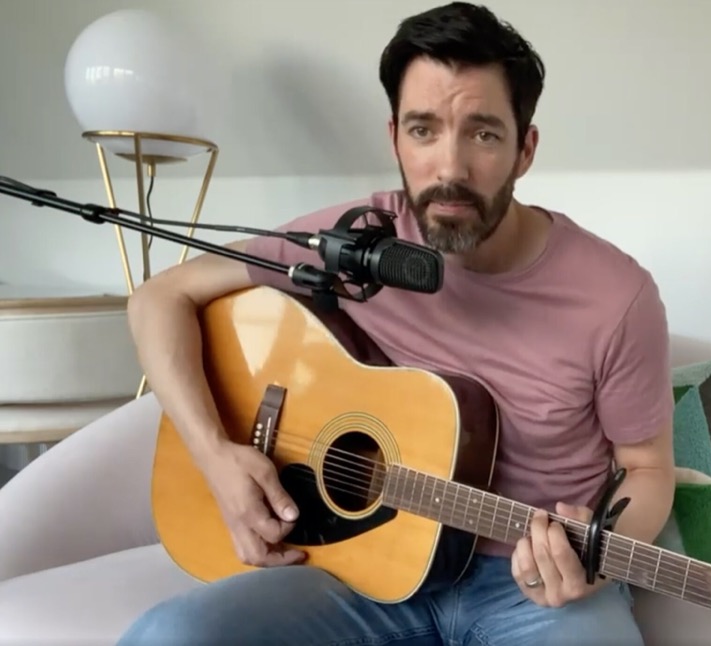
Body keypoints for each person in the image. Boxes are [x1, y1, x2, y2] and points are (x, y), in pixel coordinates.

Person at [115, 2, 676, 644]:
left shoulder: (616, 296)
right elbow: (158, 299)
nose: (450, 169)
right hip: (356, 570)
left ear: (525, 149)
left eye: (483, 134)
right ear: (394, 139)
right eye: (424, 130)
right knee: (167, 636)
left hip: (530, 590)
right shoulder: (354, 242)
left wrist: (593, 558)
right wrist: (215, 456)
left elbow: (648, 470)